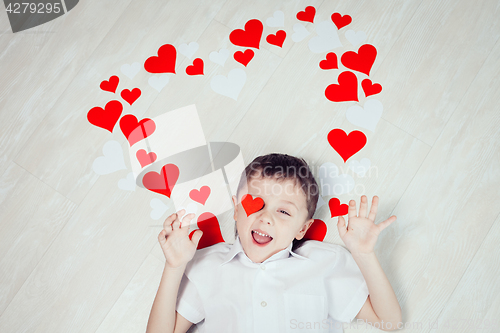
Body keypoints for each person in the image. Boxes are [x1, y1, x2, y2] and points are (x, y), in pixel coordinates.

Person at [146, 153, 402, 333]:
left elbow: (390, 321)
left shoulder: (325, 263)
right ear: (236, 211)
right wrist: (174, 266)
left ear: (302, 228)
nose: (265, 218)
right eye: (255, 203)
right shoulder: (207, 266)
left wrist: (364, 255)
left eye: (284, 212)